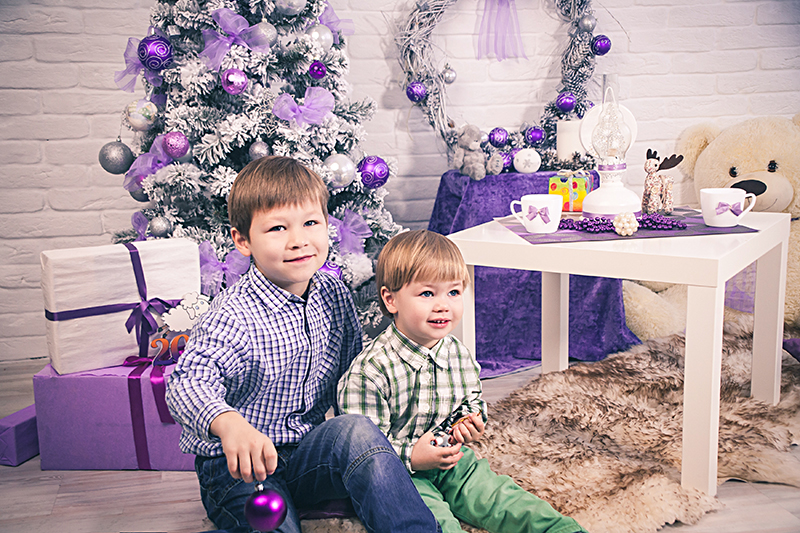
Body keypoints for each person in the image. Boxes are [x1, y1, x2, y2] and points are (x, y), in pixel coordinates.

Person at [166, 156, 441, 533]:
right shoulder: (233, 315)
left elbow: (352, 378)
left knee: (356, 430)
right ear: (243, 240)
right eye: (277, 228)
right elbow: (187, 382)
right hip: (241, 468)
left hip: (306, 453)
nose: (298, 240)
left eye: (311, 223)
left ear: (328, 225)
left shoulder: (333, 293)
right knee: (274, 524)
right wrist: (229, 424)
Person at [337, 229, 588, 533]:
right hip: (400, 473)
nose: (443, 305)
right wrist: (413, 456)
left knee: (504, 499)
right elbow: (365, 453)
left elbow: (471, 400)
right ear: (391, 300)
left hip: (453, 460)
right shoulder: (370, 371)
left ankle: (562, 530)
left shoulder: (457, 353)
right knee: (434, 521)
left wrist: (471, 420)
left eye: (453, 292)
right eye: (427, 294)